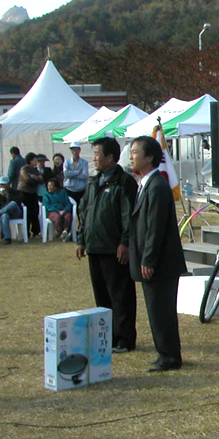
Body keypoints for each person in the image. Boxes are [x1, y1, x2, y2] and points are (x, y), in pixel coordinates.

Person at [128, 136, 187, 372]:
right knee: (156, 310)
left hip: (161, 262)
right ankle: (164, 352)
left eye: (135, 152)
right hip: (152, 260)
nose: (131, 156)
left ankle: (169, 356)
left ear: (150, 157)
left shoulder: (158, 186)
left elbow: (156, 226)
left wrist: (148, 259)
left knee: (161, 310)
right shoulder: (146, 183)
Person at [75, 136, 138, 353]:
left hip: (114, 249)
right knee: (101, 297)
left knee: (120, 296)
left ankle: (124, 339)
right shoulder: (94, 182)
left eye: (97, 154)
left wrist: (125, 242)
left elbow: (128, 215)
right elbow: (84, 212)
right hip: (95, 247)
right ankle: (106, 337)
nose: (94, 159)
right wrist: (81, 239)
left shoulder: (124, 182)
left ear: (110, 157)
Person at [0, 176, 23, 244]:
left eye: (4, 184)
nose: (3, 186)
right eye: (1, 184)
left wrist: (7, 195)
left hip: (15, 213)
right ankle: (7, 238)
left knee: (13, 203)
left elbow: (18, 201)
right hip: (3, 213)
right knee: (4, 216)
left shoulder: (15, 192)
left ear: (8, 184)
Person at [18, 152, 44, 237]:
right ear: (30, 160)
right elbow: (27, 180)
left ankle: (36, 231)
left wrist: (34, 177)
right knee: (27, 212)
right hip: (24, 193)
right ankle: (26, 232)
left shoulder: (35, 170)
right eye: (35, 159)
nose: (37, 161)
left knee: (35, 212)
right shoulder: (24, 169)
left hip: (33, 193)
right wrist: (34, 178)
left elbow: (41, 180)